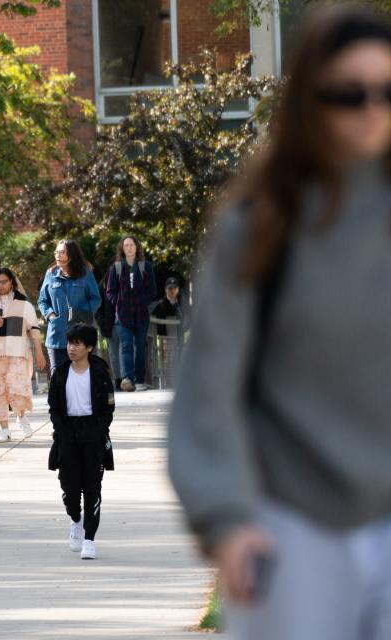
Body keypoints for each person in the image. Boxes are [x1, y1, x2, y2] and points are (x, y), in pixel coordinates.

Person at [169, 6, 391, 639]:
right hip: (292, 522)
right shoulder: (261, 228)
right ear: (311, 104)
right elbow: (210, 388)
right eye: (350, 94)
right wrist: (227, 517)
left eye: (387, 91)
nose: (371, 108)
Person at [47, 324, 114, 561]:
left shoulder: (100, 372)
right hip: (67, 434)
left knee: (92, 488)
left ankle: (89, 539)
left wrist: (99, 430)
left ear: (89, 347)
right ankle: (75, 518)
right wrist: (61, 430)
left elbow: (109, 407)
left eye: (77, 343)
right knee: (70, 489)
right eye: (69, 343)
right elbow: (53, 407)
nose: (71, 348)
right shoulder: (61, 373)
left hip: (93, 434)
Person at [0, 267, 47, 442]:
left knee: (17, 387)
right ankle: (4, 429)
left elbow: (34, 329)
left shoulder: (24, 304)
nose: (0, 285)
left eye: (3, 282)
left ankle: (21, 417)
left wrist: (39, 352)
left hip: (17, 352)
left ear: (11, 281)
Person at [37, 240, 102, 374]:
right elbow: (42, 300)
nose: (58, 255)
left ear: (71, 255)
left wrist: (83, 314)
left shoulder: (85, 273)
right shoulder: (51, 273)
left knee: (82, 375)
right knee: (58, 377)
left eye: (62, 252)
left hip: (81, 335)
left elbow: (96, 298)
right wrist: (50, 315)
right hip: (57, 335)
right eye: (56, 252)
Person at [105, 235, 156, 392]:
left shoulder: (145, 266)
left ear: (136, 247)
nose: (128, 248)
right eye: (126, 245)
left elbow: (152, 290)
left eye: (131, 245)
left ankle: (139, 380)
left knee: (140, 346)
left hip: (141, 315)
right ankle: (127, 379)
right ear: (122, 248)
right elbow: (110, 291)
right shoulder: (116, 267)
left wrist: (142, 302)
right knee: (126, 346)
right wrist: (119, 303)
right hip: (122, 316)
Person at [96, 269, 122, 389]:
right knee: (114, 354)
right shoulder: (104, 283)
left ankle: (128, 378)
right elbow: (97, 305)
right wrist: (102, 323)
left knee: (128, 351)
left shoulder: (127, 280)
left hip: (126, 323)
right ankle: (118, 379)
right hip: (111, 324)